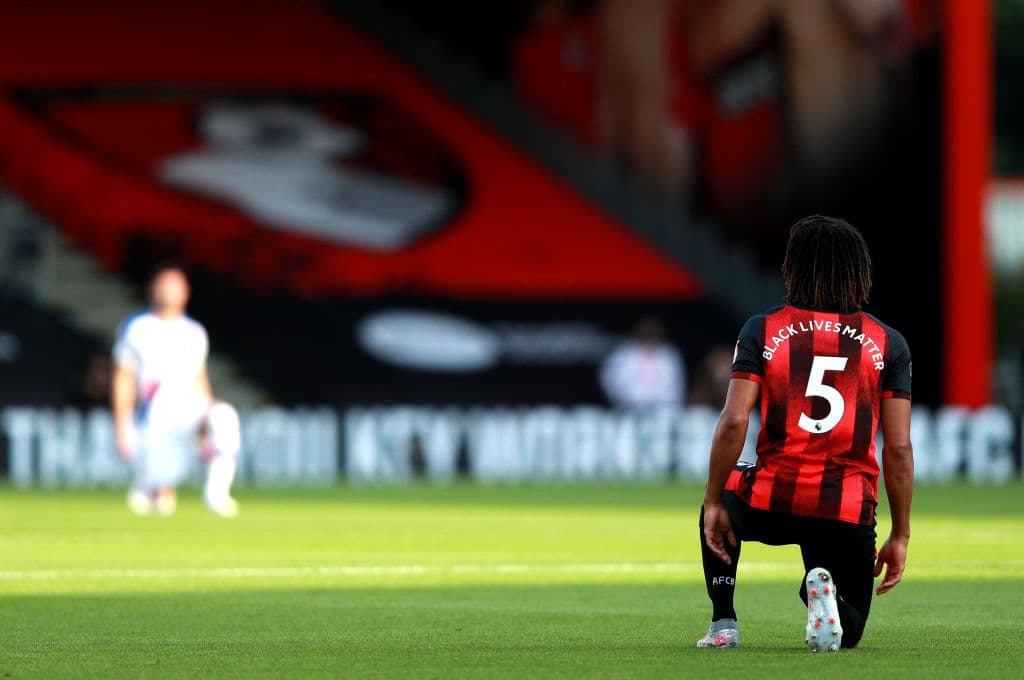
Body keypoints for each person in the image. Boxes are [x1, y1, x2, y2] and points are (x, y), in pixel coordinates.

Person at [696, 215, 913, 652]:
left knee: (721, 500)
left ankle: (723, 624)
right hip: (847, 509)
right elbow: (899, 449)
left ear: (793, 267)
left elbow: (734, 420)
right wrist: (901, 532)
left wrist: (714, 499)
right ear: (859, 270)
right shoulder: (889, 342)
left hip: (771, 498)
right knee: (849, 633)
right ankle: (821, 593)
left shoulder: (762, 329)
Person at [111, 264, 241, 518]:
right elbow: (123, 378)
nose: (169, 291)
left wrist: (208, 415)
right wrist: (122, 424)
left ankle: (216, 495)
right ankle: (150, 485)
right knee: (158, 496)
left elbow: (199, 377)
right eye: (164, 284)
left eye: (175, 285)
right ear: (152, 289)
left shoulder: (195, 332)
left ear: (186, 292)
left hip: (190, 411)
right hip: (156, 419)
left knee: (224, 416)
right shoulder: (137, 328)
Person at [598, 317, 686, 410]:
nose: (650, 335)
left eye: (653, 332)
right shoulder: (623, 353)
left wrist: (668, 403)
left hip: (664, 408)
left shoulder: (669, 354)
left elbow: (676, 383)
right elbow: (610, 379)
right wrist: (622, 400)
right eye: (647, 332)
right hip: (627, 407)